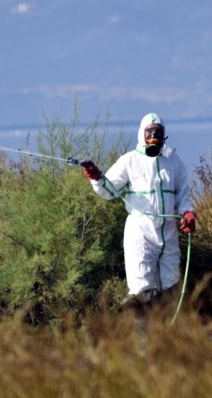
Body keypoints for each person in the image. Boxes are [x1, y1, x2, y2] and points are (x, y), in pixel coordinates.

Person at [81, 113, 196, 309]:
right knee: (142, 290)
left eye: (158, 132)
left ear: (164, 135)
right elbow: (108, 190)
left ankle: (166, 335)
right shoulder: (129, 161)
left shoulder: (174, 161)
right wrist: (96, 176)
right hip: (140, 232)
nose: (154, 136)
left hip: (168, 233)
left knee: (171, 289)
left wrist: (188, 214)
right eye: (149, 131)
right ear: (141, 134)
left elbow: (183, 196)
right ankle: (140, 336)